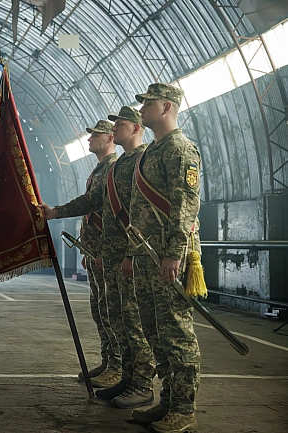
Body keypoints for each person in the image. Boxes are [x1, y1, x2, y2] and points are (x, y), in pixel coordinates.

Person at [126, 83, 201, 433]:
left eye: (148, 103)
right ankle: (168, 401)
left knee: (176, 333)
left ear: (167, 107)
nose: (142, 109)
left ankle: (184, 409)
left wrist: (174, 254)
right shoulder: (152, 151)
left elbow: (185, 205)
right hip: (147, 255)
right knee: (155, 332)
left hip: (168, 257)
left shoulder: (180, 149)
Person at [41, 120, 121, 389]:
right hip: (97, 252)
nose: (89, 140)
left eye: (95, 135)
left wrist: (56, 212)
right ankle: (109, 361)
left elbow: (93, 204)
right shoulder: (100, 169)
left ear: (109, 138)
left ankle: (118, 366)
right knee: (100, 310)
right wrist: (90, 250)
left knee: (112, 312)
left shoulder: (113, 168)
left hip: (108, 253)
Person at [93, 106, 156, 409]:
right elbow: (96, 201)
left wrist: (131, 253)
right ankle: (127, 379)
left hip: (129, 258)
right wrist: (57, 212)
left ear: (135, 128)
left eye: (120, 124)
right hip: (114, 256)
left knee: (134, 322)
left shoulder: (143, 161)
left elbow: (142, 215)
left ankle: (142, 384)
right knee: (119, 320)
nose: (114, 128)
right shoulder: (120, 165)